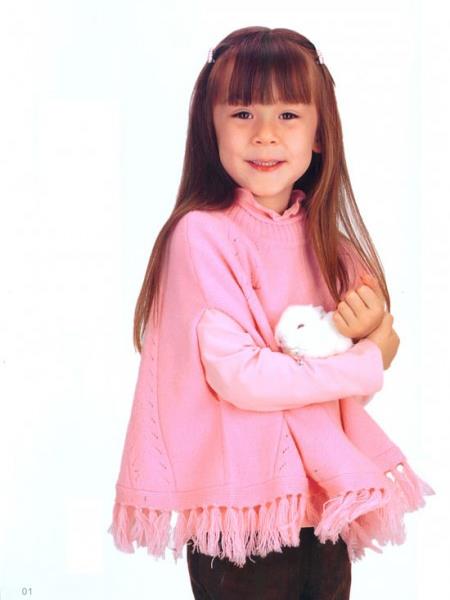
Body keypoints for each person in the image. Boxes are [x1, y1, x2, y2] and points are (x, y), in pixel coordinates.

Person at [107, 26, 434, 600]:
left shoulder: (331, 247)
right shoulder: (202, 237)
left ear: (319, 133)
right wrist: (368, 358)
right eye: (242, 113)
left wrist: (368, 343)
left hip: (320, 504)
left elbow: (340, 392)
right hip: (242, 513)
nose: (264, 134)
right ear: (210, 129)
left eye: (288, 114)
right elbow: (242, 377)